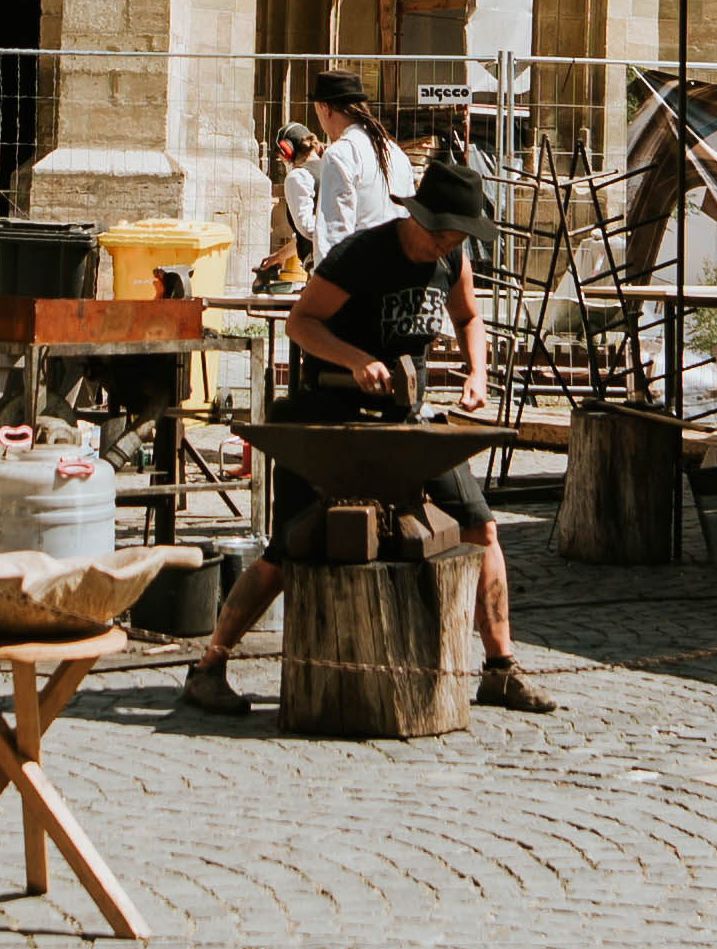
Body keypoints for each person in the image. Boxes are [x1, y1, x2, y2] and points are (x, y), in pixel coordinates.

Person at [192, 149, 552, 715]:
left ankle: (500, 668)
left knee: (481, 530)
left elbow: (468, 318)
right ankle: (209, 665)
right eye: (445, 234)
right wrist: (356, 360)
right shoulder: (362, 256)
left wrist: (477, 370)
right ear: (422, 218)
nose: (451, 245)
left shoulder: (452, 260)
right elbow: (301, 322)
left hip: (405, 424)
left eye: (460, 237)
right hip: (329, 420)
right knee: (291, 548)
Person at [283, 69, 401, 273]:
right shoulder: (394, 152)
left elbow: (333, 234)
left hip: (357, 278)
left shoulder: (339, 155)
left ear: (324, 108)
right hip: (395, 269)